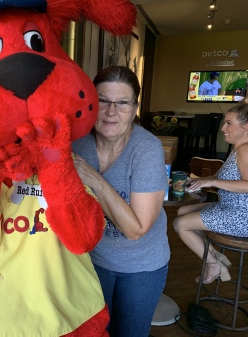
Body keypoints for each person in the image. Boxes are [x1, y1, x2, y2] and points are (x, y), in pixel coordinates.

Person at [72, 66, 170, 337]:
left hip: (141, 267)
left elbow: (136, 229)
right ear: (91, 102)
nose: (111, 111)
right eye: (103, 100)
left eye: (123, 102)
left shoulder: (147, 149)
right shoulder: (76, 142)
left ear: (135, 107)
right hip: (90, 261)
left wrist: (94, 179)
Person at [173, 102, 248, 284]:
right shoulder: (237, 149)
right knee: (183, 211)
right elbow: (224, 176)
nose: (223, 128)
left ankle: (213, 264)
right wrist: (194, 180)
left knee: (180, 224)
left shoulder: (245, 150)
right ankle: (214, 255)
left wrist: (212, 181)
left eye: (229, 123)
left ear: (246, 127)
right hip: (229, 207)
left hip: (241, 215)